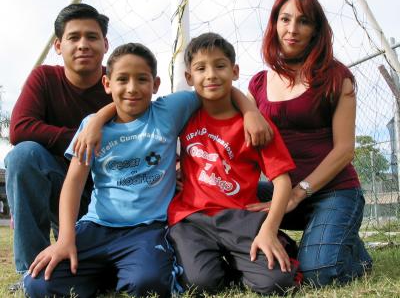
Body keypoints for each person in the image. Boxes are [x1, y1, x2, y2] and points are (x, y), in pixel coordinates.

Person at [24, 42, 273, 298]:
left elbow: (214, 87)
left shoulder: (168, 111)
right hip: (98, 226)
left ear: (155, 84)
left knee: (149, 284)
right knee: (39, 285)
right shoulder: (91, 128)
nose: (132, 88)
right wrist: (65, 239)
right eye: (122, 79)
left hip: (147, 228)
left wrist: (251, 110)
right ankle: (107, 272)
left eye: (141, 79)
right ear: (107, 84)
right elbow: (74, 184)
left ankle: (121, 271)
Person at [246, 0, 373, 287]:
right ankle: (328, 238)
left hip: (334, 191)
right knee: (229, 199)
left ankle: (357, 255)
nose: (292, 29)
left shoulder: (337, 77)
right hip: (283, 192)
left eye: (303, 21)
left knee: (318, 274)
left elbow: (344, 150)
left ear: (316, 29)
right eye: (285, 19)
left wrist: (299, 192)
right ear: (274, 23)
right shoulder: (259, 83)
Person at [167, 32, 300, 295]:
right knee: (201, 284)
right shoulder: (183, 115)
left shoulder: (255, 126)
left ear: (235, 71)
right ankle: (221, 263)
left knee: (275, 284)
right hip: (191, 218)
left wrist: (270, 230)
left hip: (239, 217)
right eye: (201, 68)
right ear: (189, 78)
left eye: (220, 66)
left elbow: (282, 182)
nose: (211, 75)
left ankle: (275, 247)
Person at [4, 3, 112, 290]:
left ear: (105, 43)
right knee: (23, 155)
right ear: (58, 45)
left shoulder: (119, 82)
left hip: (109, 194)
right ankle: (30, 270)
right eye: (73, 37)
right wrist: (84, 135)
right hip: (60, 189)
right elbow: (20, 128)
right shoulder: (44, 78)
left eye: (91, 37)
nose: (83, 45)